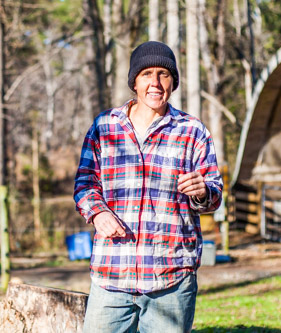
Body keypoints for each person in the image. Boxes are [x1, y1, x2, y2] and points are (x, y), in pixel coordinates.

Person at [74, 41, 223, 333]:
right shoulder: (105, 126)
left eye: (163, 75)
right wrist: (97, 212)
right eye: (146, 74)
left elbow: (215, 195)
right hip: (112, 275)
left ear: (173, 82)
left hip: (170, 278)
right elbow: (84, 182)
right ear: (134, 82)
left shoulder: (192, 131)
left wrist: (203, 191)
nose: (155, 83)